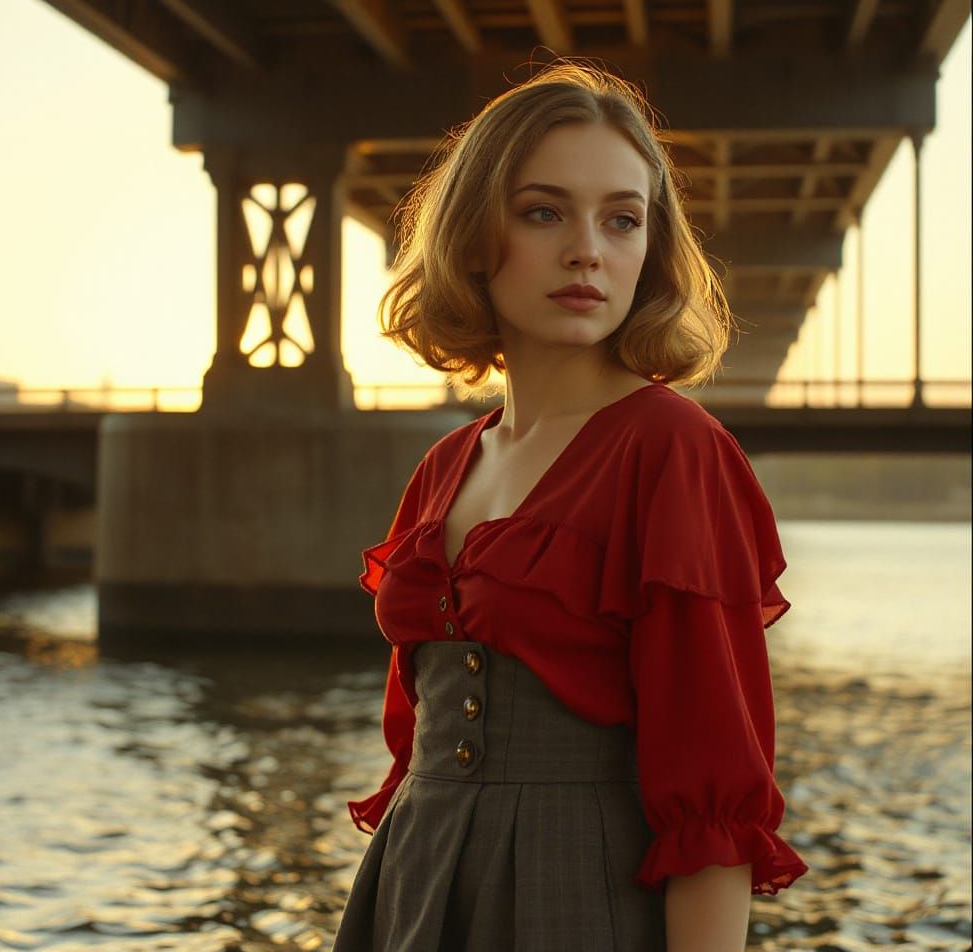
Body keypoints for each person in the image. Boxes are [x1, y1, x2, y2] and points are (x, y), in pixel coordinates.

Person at [332, 60, 808, 952]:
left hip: (573, 906)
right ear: (476, 236)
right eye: (543, 211)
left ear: (649, 249)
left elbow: (712, 788)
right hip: (408, 893)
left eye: (622, 220)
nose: (587, 248)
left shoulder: (671, 450)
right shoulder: (443, 467)